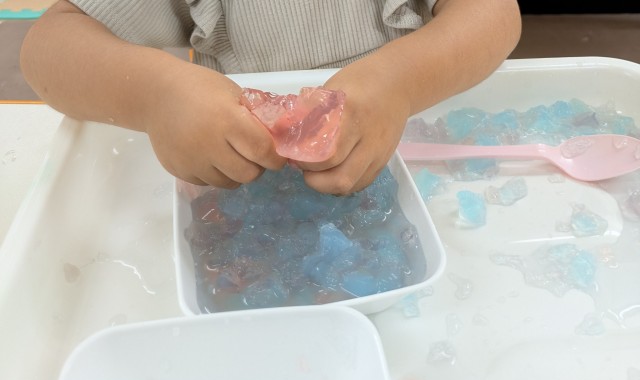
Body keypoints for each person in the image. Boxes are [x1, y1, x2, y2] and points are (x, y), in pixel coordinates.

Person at [20, 0, 521, 195]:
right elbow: (49, 48)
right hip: (241, 176)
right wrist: (156, 95)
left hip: (405, 161)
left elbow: (496, 15)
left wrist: (400, 84)